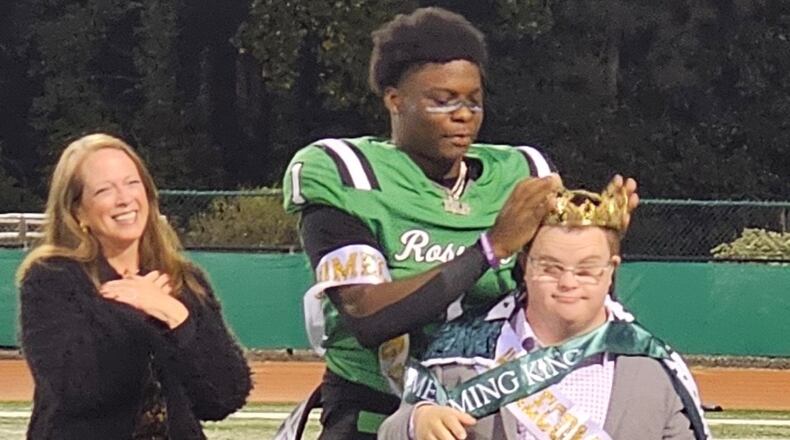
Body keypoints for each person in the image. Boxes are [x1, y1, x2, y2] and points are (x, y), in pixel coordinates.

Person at [281, 7, 638, 438]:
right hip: (376, 411)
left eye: (473, 100)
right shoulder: (346, 173)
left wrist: (597, 242)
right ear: (395, 100)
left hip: (492, 408)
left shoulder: (520, 173)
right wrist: (490, 248)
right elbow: (368, 314)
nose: (463, 114)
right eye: (443, 100)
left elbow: (563, 305)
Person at [378, 188, 710, 440]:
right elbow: (392, 429)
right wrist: (416, 421)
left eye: (586, 271)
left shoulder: (653, 366)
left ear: (611, 270)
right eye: (550, 268)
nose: (568, 283)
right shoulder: (464, 350)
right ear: (525, 265)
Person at [17, 133, 252, 439]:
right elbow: (76, 389)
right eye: (104, 190)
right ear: (78, 212)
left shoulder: (184, 280)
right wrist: (137, 311)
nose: (124, 198)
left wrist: (174, 315)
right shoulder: (51, 278)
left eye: (132, 183)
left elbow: (225, 396)